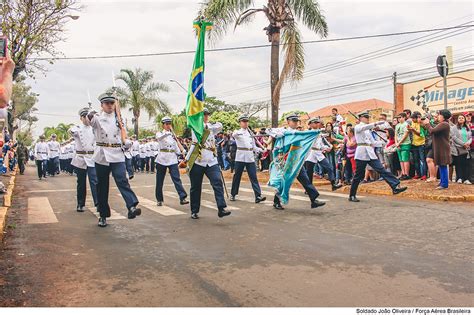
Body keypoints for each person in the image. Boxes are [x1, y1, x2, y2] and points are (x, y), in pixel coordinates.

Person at [86, 92, 141, 227]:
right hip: (102, 154)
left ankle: (131, 206)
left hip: (117, 153)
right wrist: (90, 113)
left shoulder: (119, 119)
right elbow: (90, 120)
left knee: (122, 180)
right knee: (102, 186)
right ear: (102, 105)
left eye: (112, 103)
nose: (110, 105)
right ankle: (103, 215)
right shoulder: (98, 118)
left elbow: (123, 136)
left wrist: (127, 142)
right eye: (107, 103)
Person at [267, 114, 326, 210]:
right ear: (288, 122)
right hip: (286, 162)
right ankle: (276, 201)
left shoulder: (296, 133)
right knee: (284, 181)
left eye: (296, 121)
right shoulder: (284, 133)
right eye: (293, 121)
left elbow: (304, 137)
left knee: (306, 180)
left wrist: (315, 133)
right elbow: (278, 147)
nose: (295, 123)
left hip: (296, 161)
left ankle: (313, 200)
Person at [349, 111, 407, 202]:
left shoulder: (368, 130)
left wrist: (383, 143)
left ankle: (395, 186)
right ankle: (352, 195)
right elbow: (364, 127)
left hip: (370, 153)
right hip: (361, 153)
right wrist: (375, 124)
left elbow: (373, 142)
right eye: (366, 117)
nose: (368, 119)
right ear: (360, 118)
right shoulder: (358, 127)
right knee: (358, 175)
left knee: (382, 170)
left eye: (368, 117)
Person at [186, 108, 230, 219]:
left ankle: (221, 208)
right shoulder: (195, 127)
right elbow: (196, 136)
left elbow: (219, 126)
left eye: (207, 115)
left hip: (211, 160)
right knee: (195, 187)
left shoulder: (210, 127)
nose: (206, 116)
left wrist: (210, 125)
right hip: (198, 160)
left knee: (217, 182)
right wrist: (186, 159)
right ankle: (194, 210)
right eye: (204, 115)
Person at [229, 114, 267, 203]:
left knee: (253, 177)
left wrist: (262, 150)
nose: (245, 123)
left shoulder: (251, 135)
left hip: (250, 157)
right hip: (240, 157)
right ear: (240, 123)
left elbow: (253, 147)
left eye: (246, 121)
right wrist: (241, 132)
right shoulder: (238, 132)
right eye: (243, 122)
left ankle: (258, 196)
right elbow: (234, 135)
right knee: (237, 176)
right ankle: (233, 194)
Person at [155, 116, 189, 206]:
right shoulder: (160, 133)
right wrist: (168, 134)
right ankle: (159, 199)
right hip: (162, 158)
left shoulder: (173, 136)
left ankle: (182, 197)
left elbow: (176, 148)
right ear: (163, 125)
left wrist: (182, 151)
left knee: (176, 179)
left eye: (169, 124)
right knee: (159, 180)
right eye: (166, 124)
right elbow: (159, 138)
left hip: (172, 158)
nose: (168, 125)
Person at [70, 107, 99, 212]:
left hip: (92, 157)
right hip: (81, 158)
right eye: (85, 117)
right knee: (81, 182)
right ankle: (80, 203)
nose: (87, 119)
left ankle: (98, 203)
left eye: (88, 117)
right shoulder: (77, 128)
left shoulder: (94, 128)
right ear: (81, 118)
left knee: (94, 181)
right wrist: (74, 130)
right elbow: (72, 131)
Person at [305, 117, 342, 191]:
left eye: (317, 123)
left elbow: (320, 144)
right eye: (315, 123)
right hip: (311, 154)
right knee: (309, 172)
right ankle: (308, 189)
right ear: (310, 124)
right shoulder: (309, 133)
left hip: (318, 153)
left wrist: (326, 148)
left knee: (329, 167)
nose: (317, 124)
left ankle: (333, 184)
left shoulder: (319, 133)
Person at [423, 110, 452, 190]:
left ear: (443, 116)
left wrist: (427, 123)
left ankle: (444, 184)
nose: (438, 116)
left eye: (439, 115)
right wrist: (427, 124)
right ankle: (442, 182)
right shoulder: (442, 124)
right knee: (441, 165)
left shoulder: (444, 124)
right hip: (440, 148)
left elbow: (432, 131)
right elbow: (432, 130)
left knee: (443, 165)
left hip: (443, 148)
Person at [451, 114, 472, 184]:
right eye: (459, 118)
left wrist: (468, 143)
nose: (461, 119)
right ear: (457, 119)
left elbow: (470, 137)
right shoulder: (454, 127)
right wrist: (463, 144)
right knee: (459, 163)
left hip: (467, 148)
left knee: (467, 163)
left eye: (462, 118)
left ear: (464, 119)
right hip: (458, 148)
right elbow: (454, 137)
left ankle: (466, 179)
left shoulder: (467, 127)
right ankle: (459, 178)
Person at [408, 112, 427, 180]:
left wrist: (413, 130)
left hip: (421, 144)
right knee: (416, 160)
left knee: (422, 160)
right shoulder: (412, 123)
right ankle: (418, 174)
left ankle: (424, 175)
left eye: (413, 118)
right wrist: (410, 129)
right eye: (412, 118)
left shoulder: (421, 124)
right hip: (414, 144)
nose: (412, 120)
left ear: (417, 118)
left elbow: (420, 134)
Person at [395, 112, 411, 180]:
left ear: (404, 117)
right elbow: (395, 134)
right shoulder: (397, 125)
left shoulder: (406, 124)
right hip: (398, 144)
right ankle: (403, 173)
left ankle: (406, 174)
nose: (399, 119)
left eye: (400, 117)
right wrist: (396, 143)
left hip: (405, 143)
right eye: (398, 118)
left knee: (405, 159)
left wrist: (399, 142)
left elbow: (406, 134)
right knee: (401, 160)